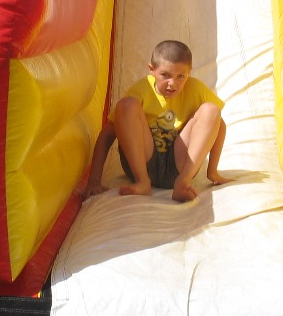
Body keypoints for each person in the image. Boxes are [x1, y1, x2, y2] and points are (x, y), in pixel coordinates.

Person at [79, 40, 234, 203]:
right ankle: (142, 182)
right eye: (165, 75)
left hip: (180, 165)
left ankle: (183, 183)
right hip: (143, 164)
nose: (173, 84)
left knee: (212, 110)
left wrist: (212, 172)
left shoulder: (195, 89)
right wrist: (94, 181)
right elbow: (107, 135)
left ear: (189, 72)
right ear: (152, 69)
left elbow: (219, 125)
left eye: (181, 76)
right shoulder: (142, 90)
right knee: (127, 105)